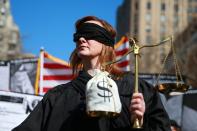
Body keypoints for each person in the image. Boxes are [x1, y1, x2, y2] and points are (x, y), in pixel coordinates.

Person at [12, 16, 171, 131]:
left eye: (89, 33)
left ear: (106, 42)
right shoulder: (56, 97)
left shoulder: (137, 89)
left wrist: (140, 123)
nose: (81, 39)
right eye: (78, 35)